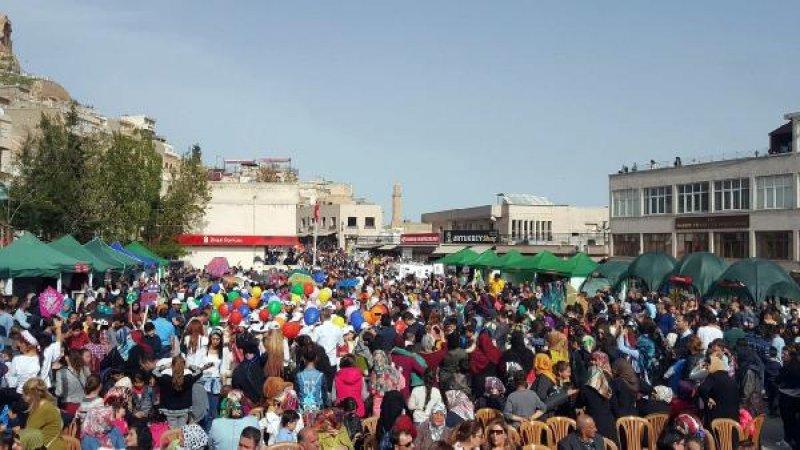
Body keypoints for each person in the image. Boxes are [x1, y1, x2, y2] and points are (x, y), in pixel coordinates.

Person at [153, 355, 204, 428]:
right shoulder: (188, 378)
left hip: (170, 410)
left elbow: (154, 371)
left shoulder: (165, 378)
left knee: (173, 432)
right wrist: (189, 366)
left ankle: (175, 439)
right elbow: (199, 371)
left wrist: (165, 366)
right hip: (184, 410)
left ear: (172, 366)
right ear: (183, 366)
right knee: (181, 431)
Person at [575, 352, 615, 442]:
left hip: (593, 425)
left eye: (594, 360)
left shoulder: (586, 387)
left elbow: (578, 404)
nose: (592, 362)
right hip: (609, 423)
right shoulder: (609, 383)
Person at [20, 378, 65, 450]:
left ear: (32, 394)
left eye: (25, 393)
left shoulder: (44, 409)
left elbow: (29, 434)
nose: (22, 396)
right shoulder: (41, 406)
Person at [698, 356, 740, 425]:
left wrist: (707, 399)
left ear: (714, 365)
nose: (707, 368)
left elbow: (702, 389)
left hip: (717, 421)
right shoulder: (730, 378)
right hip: (733, 421)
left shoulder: (713, 377)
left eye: (708, 365)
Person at [54, 349, 89, 417]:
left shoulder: (61, 372)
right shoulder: (85, 369)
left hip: (70, 406)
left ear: (67, 358)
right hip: (85, 404)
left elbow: (59, 392)